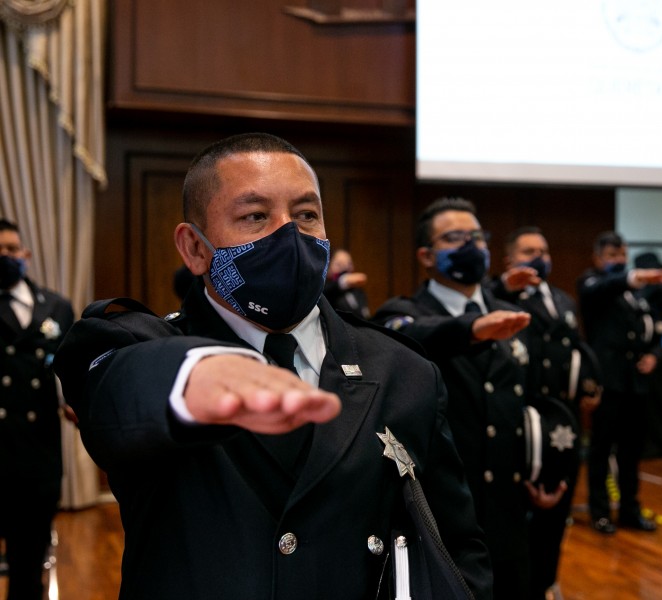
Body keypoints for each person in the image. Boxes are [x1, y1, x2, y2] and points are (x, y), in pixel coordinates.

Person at [53, 133, 492, 600]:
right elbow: (115, 387)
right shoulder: (146, 346)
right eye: (255, 216)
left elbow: (457, 546)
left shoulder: (405, 370)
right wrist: (194, 376)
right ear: (196, 249)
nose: (289, 234)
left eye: (306, 215)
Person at [373, 197, 563, 598]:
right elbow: (412, 334)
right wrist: (473, 328)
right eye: (454, 238)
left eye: (477, 236)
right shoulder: (404, 312)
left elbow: (533, 403)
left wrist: (544, 468)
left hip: (512, 511)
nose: (471, 245)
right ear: (426, 255)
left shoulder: (510, 312)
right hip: (447, 518)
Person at [491, 226, 601, 600]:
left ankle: (547, 582)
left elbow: (579, 349)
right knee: (522, 513)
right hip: (524, 419)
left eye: (543, 249)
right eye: (528, 251)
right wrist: (505, 286)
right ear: (509, 260)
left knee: (559, 506)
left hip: (564, 421)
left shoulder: (563, 299)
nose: (538, 256)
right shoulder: (499, 298)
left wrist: (591, 383)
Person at [0, 218, 74, 600]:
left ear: (25, 255)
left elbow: (73, 370)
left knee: (29, 567)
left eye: (11, 250)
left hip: (37, 455)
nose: (5, 257)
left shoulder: (57, 307)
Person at [577, 231, 662, 535]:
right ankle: (600, 512)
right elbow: (606, 286)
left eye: (622, 255)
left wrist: (654, 355)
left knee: (631, 451)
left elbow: (654, 332)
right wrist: (632, 277)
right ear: (598, 258)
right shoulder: (593, 284)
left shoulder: (638, 295)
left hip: (636, 384)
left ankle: (630, 508)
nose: (618, 261)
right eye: (612, 256)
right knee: (601, 449)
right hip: (608, 382)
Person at [323, 248, 371, 319]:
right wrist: (345, 280)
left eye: (349, 264)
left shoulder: (358, 291)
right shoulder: (324, 288)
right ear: (328, 266)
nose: (345, 268)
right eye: (339, 264)